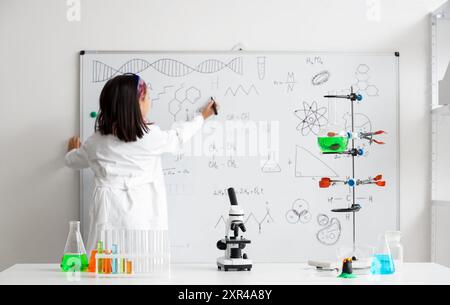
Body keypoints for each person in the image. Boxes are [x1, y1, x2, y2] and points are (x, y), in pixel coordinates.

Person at [65, 73, 217, 253]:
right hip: (142, 212)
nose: (150, 102)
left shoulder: (95, 142)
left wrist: (72, 151)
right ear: (136, 105)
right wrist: (201, 116)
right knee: (141, 260)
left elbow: (72, 162)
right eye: (147, 98)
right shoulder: (151, 136)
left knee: (106, 263)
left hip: (107, 214)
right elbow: (179, 136)